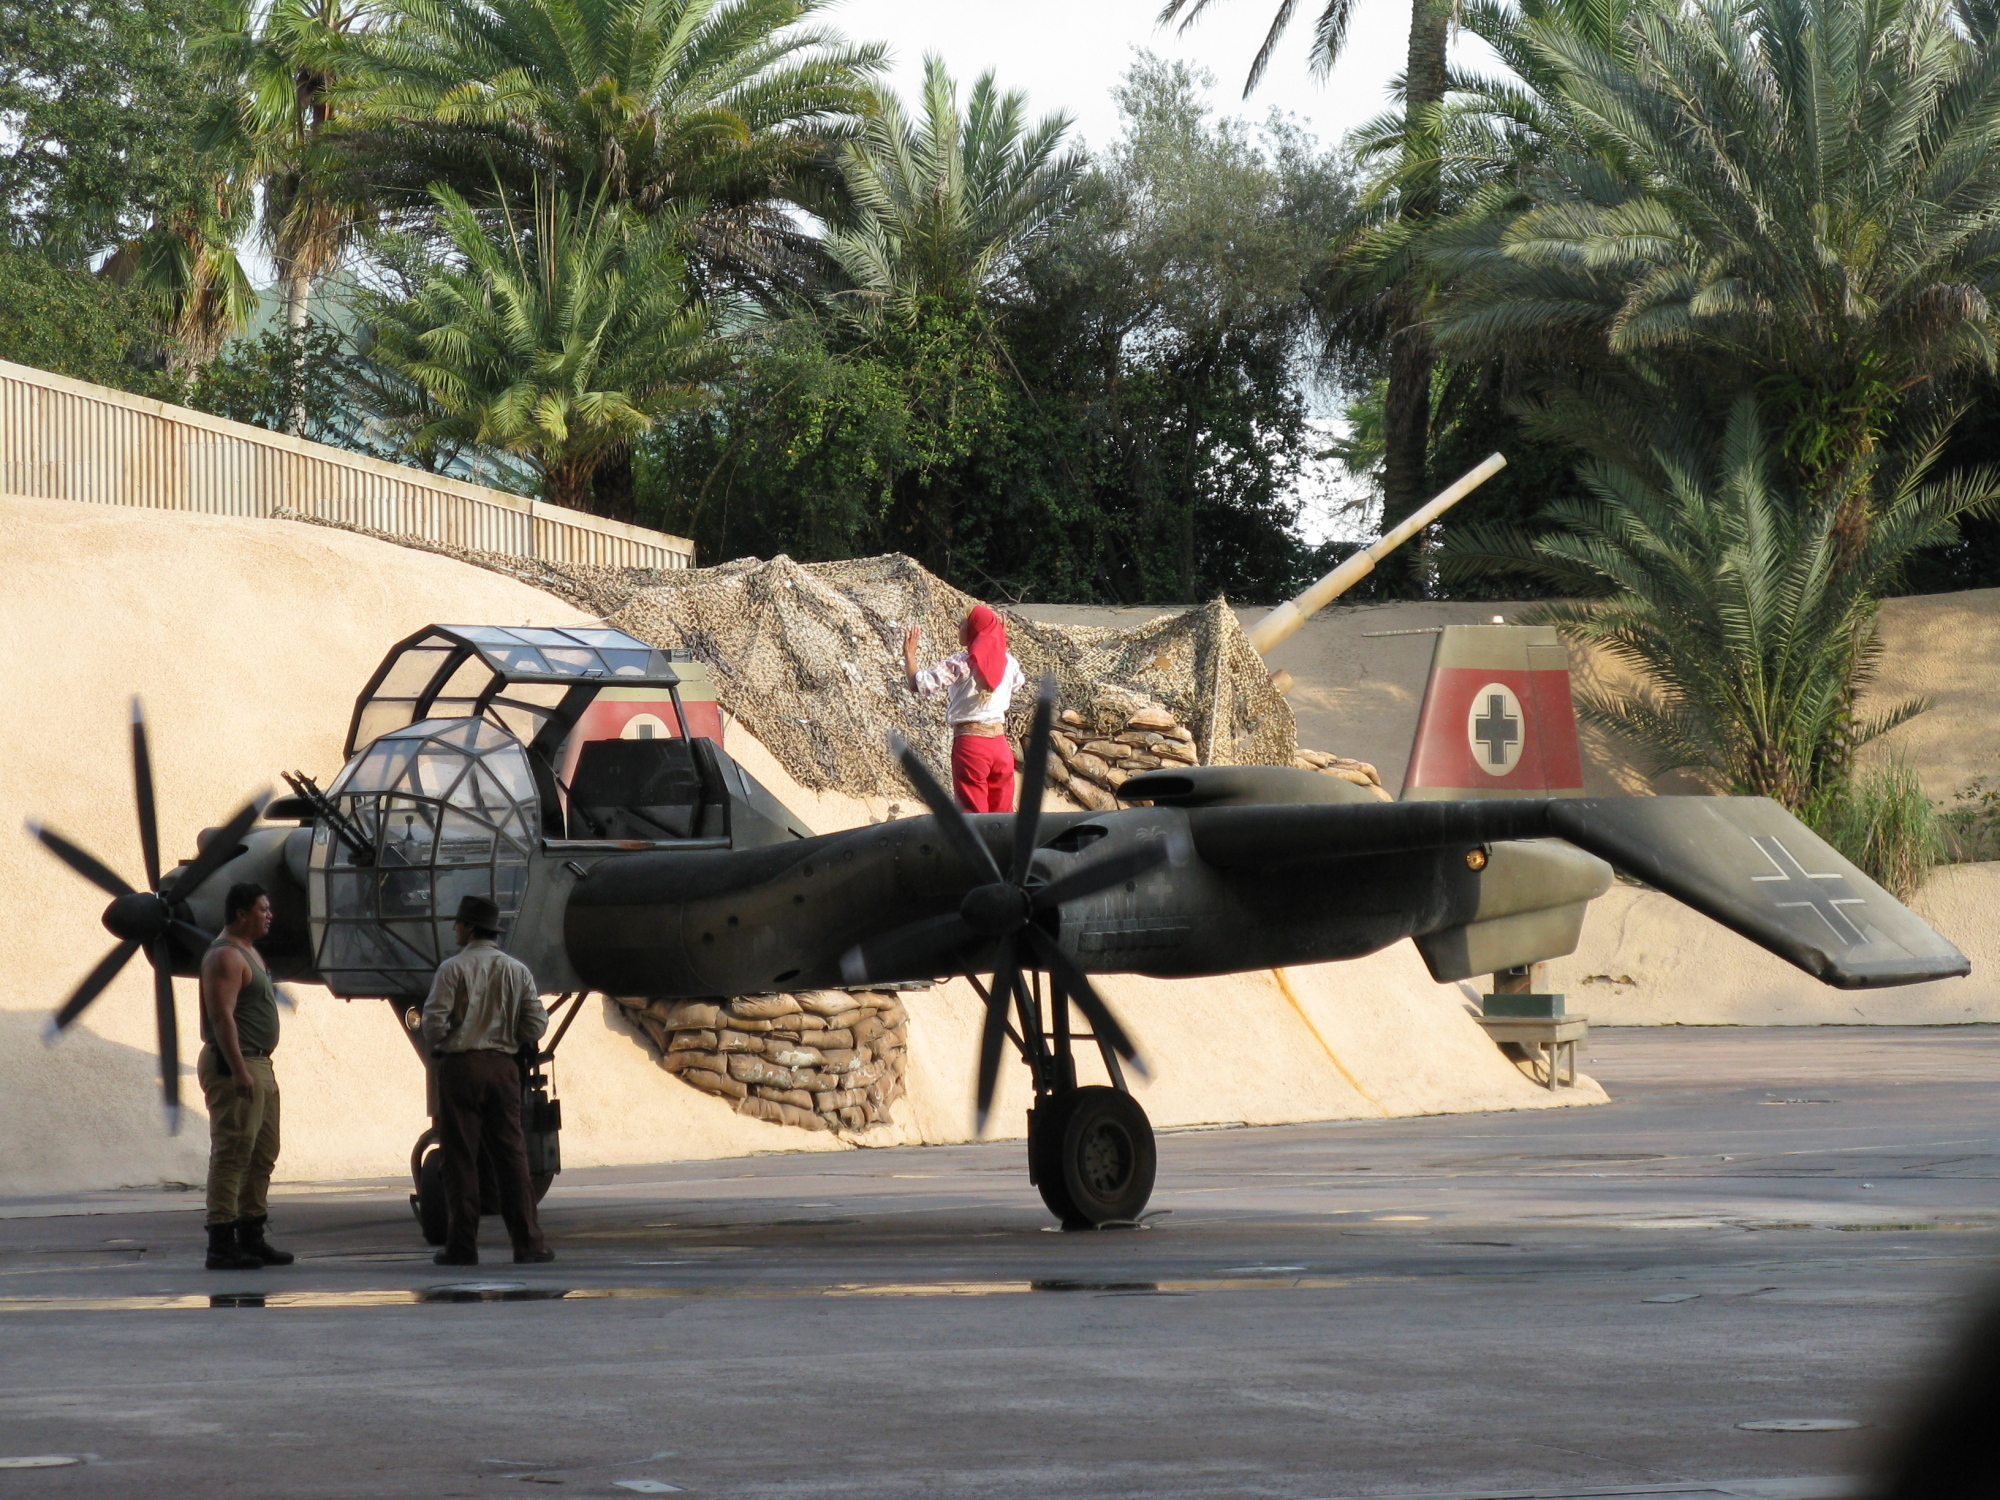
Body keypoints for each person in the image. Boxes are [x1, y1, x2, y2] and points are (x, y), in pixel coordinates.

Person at [420, 894, 552, 1267]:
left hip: (461, 1069)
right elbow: (536, 1023)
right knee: (512, 1156)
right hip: (504, 1069)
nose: (455, 929)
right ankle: (528, 1244)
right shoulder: (517, 971)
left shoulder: (452, 969)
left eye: (459, 924)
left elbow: (433, 1022)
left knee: (461, 1158)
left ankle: (462, 1247)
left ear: (470, 928)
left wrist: (447, 1041)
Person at [198, 882, 293, 1272]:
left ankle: (251, 1235)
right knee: (233, 1153)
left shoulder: (250, 953)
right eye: (262, 909)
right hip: (237, 1065)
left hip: (260, 1065)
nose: (269, 915)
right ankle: (221, 1243)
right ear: (241, 914)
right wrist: (238, 1069)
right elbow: (221, 1018)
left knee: (263, 1153)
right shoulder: (225, 956)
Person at [904, 604, 1028, 813]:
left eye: (963, 623)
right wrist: (1000, 645)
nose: (958, 626)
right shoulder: (1009, 663)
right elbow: (1016, 683)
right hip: (1001, 747)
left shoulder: (961, 663)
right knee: (1003, 818)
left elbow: (918, 684)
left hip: (972, 748)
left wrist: (909, 655)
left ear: (973, 631)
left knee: (973, 817)